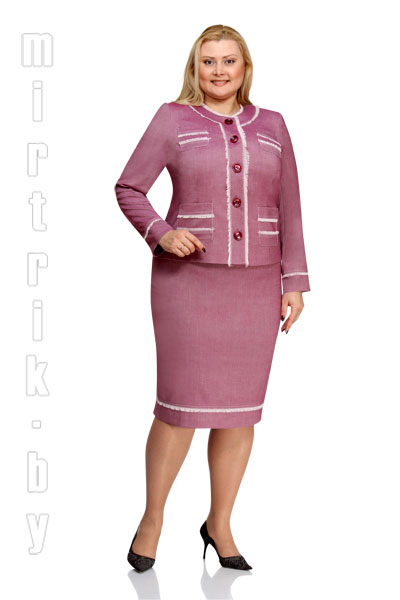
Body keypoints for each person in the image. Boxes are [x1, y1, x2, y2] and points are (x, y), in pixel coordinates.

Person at [114, 24, 311, 572]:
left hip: (256, 285)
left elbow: (290, 205)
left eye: (229, 61)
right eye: (209, 61)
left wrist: (294, 281)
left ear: (245, 67)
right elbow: (129, 187)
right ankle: (153, 518)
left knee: (239, 413)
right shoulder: (172, 119)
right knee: (180, 409)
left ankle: (219, 523)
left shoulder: (273, 125)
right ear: (195, 68)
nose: (219, 71)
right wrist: (160, 232)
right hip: (187, 284)